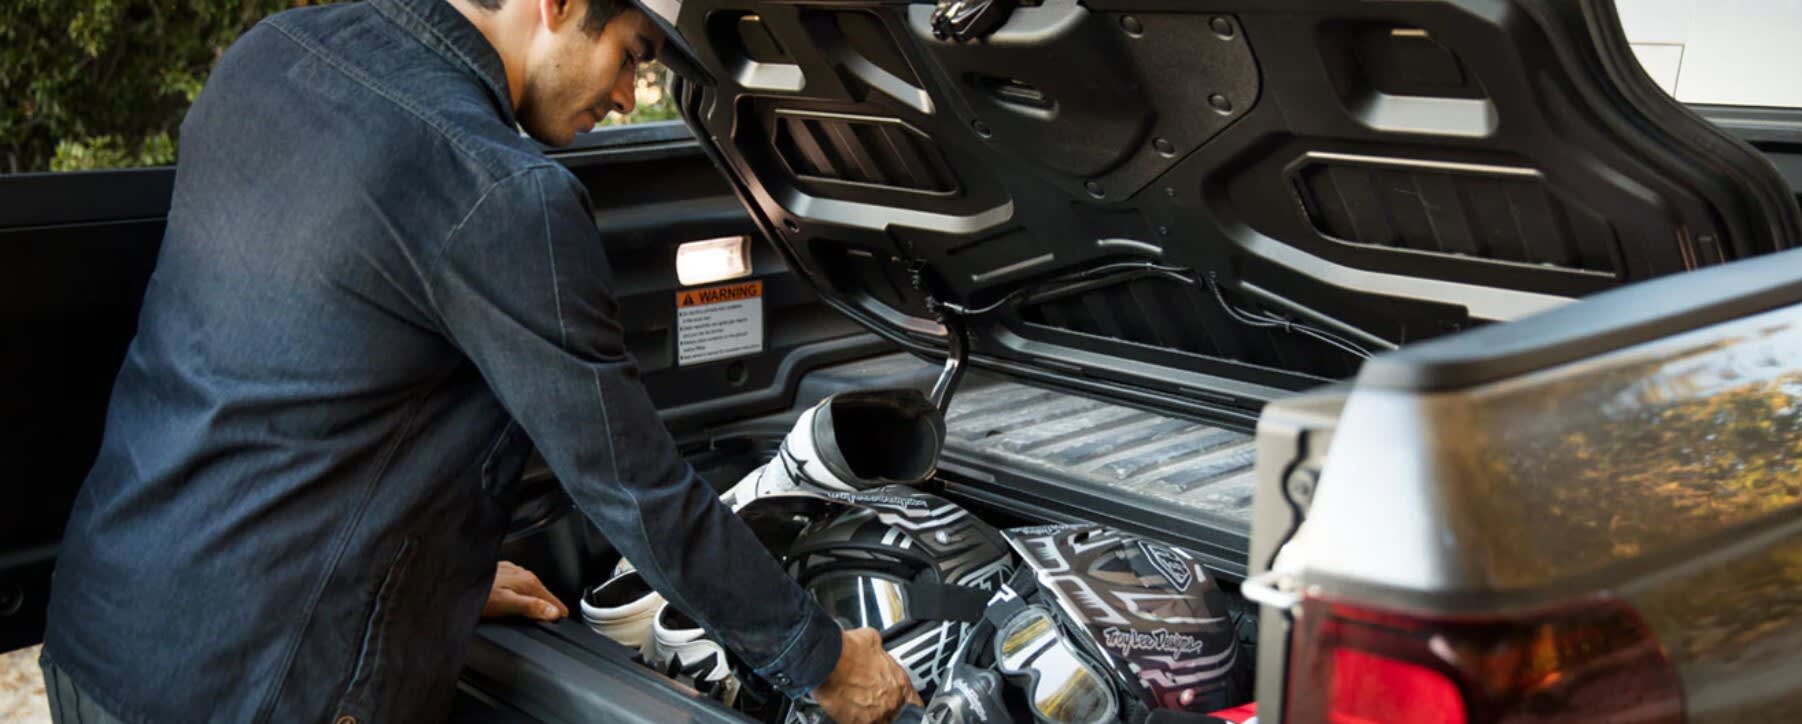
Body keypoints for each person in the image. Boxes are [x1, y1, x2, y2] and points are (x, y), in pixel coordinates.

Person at [36, 0, 919, 721]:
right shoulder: (499, 190)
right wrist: (824, 659)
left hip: (104, 634)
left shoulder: (275, 53)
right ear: (559, 5)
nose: (626, 95)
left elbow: (286, 378)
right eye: (631, 54)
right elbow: (633, 486)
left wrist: (425, 581)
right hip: (257, 690)